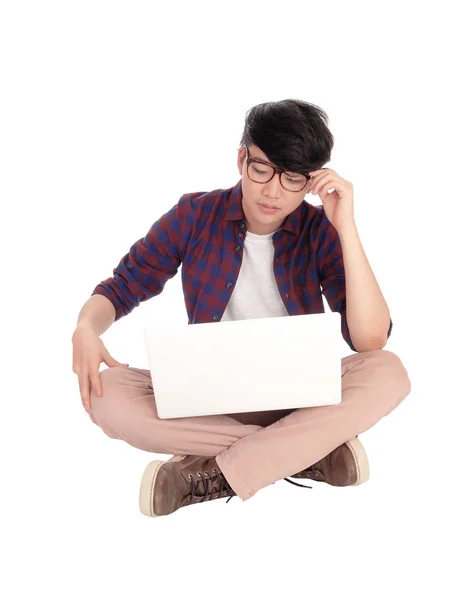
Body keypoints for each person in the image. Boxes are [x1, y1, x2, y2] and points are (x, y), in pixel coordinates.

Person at [72, 99, 411, 517]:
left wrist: (347, 227)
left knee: (389, 371)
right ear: (241, 159)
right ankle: (307, 451)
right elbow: (125, 284)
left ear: (311, 181)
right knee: (107, 398)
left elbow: (370, 339)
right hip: (209, 399)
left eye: (292, 179)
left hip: (302, 398)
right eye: (262, 169)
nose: (272, 190)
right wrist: (86, 327)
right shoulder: (194, 215)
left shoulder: (319, 230)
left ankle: (213, 472)